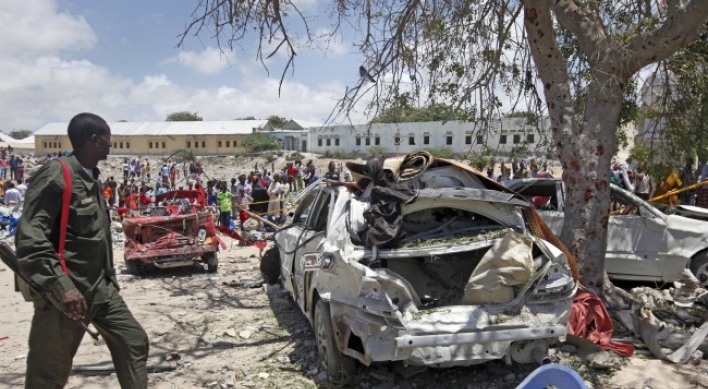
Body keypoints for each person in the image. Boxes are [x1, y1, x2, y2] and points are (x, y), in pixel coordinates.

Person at [15, 113, 148, 388]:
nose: (112, 142)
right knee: (48, 372)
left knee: (133, 340)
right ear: (95, 139)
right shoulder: (57, 174)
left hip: (100, 289)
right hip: (64, 295)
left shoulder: (92, 177)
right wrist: (62, 286)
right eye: (109, 136)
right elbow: (30, 238)